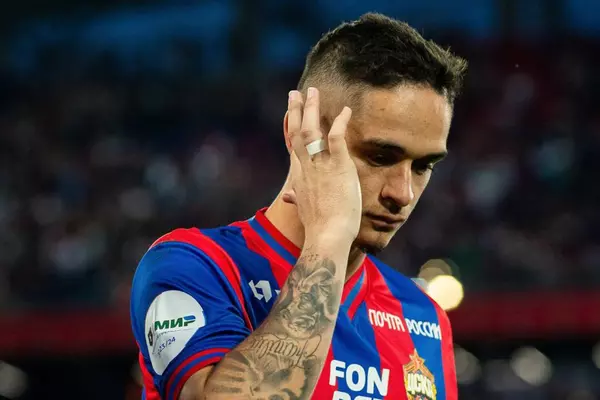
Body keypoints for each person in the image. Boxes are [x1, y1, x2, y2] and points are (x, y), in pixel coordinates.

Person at [130, 12, 467, 400]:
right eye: (379, 156)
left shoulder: (422, 317)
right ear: (300, 133)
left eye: (423, 166)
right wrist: (329, 237)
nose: (403, 193)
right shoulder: (192, 266)